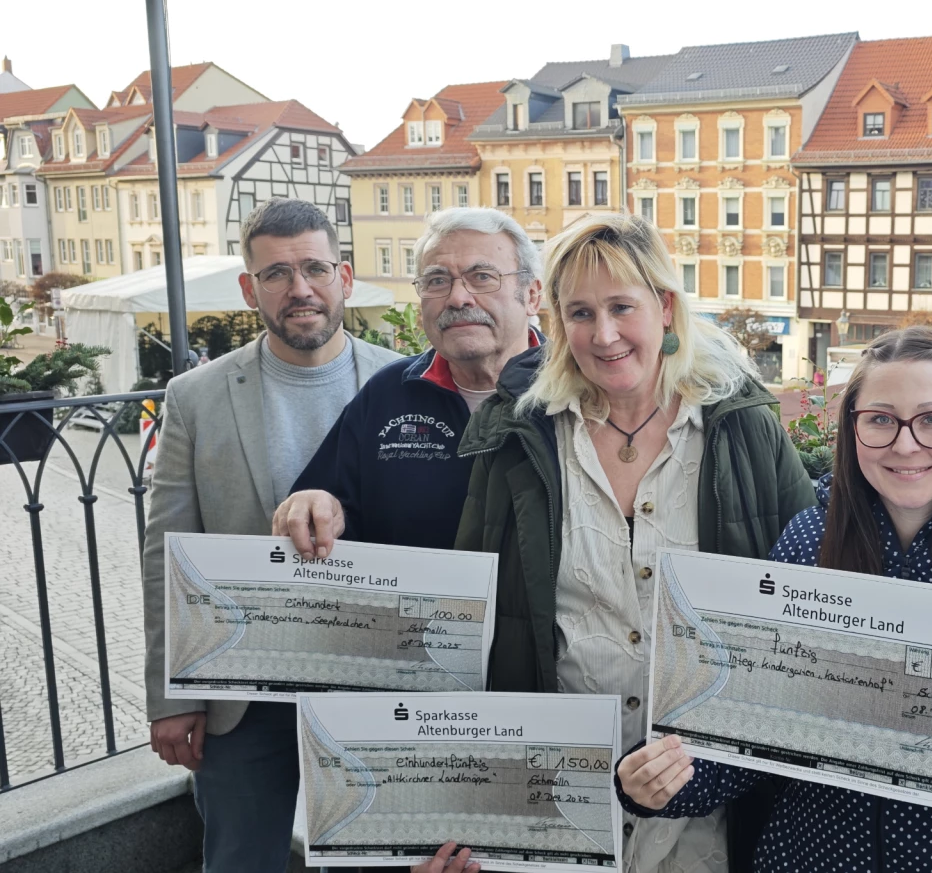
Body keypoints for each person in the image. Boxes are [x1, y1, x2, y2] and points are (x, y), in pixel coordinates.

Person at [616, 326, 932, 872]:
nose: (905, 445)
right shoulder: (808, 541)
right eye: (880, 419)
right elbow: (757, 736)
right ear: (852, 428)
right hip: (810, 858)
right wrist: (666, 780)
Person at [414, 213, 816, 873]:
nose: (603, 335)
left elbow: (805, 609)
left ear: (665, 307)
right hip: (560, 797)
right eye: (580, 313)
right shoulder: (522, 438)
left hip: (705, 802)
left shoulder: (743, 429)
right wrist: (452, 800)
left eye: (622, 307)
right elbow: (468, 626)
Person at [140, 198, 401, 873]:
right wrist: (172, 697)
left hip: (376, 685)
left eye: (314, 268)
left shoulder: (406, 385)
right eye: (277, 273)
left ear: (344, 277)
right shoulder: (194, 396)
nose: (299, 288)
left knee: (372, 863)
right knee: (239, 860)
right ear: (249, 288)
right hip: (243, 697)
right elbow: (165, 554)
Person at [273, 207, 545, 556]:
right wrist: (316, 504)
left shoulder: (573, 393)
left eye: (482, 277)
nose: (457, 298)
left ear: (532, 295)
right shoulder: (388, 394)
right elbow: (331, 506)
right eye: (437, 281)